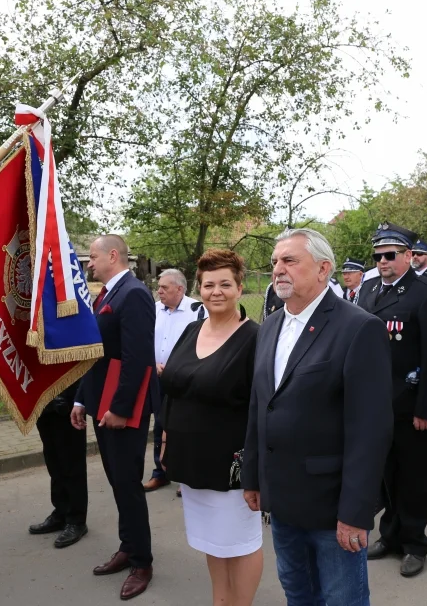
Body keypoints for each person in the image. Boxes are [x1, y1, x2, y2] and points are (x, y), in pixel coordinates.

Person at [242, 228, 392, 606]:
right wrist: (253, 476)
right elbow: (261, 405)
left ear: (324, 268)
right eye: (275, 261)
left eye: (290, 261)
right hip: (282, 499)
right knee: (298, 594)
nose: (278, 269)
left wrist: (356, 511)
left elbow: (370, 430)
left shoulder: (358, 328)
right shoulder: (271, 326)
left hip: (331, 508)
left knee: (342, 599)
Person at [160, 249, 263, 606]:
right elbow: (174, 388)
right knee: (212, 540)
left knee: (240, 541)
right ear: (198, 288)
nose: (215, 291)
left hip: (232, 464)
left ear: (239, 287)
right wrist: (166, 434)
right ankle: (221, 601)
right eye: (208, 285)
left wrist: (257, 467)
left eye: (224, 284)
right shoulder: (191, 329)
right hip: (191, 459)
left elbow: (261, 407)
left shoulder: (254, 338)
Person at [358, 222, 427, 578]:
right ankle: (390, 534)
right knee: (384, 474)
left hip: (409, 404)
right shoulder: (367, 291)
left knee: (411, 477)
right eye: (378, 256)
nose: (383, 261)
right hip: (374, 404)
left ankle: (415, 542)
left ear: (409, 256)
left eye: (390, 255)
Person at [71, 234, 156, 600]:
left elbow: (138, 359)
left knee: (128, 484)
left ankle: (142, 561)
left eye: (92, 257)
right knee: (118, 482)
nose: (89, 263)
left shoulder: (134, 293)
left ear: (113, 255)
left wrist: (120, 410)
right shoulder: (106, 294)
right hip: (100, 403)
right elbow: (96, 354)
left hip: (121, 409)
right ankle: (128, 545)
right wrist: (79, 399)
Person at [146, 268, 200, 492]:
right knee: (160, 424)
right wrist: (151, 362)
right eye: (158, 287)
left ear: (179, 289)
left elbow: (202, 344)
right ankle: (161, 471)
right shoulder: (154, 309)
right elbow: (144, 339)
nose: (159, 291)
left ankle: (186, 475)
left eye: (164, 288)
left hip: (185, 379)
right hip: (158, 377)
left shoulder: (197, 310)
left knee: (185, 425)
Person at [28, 381, 89, 549]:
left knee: (72, 462)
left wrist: (78, 399)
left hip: (68, 402)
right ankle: (61, 512)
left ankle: (76, 520)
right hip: (44, 401)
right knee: (53, 462)